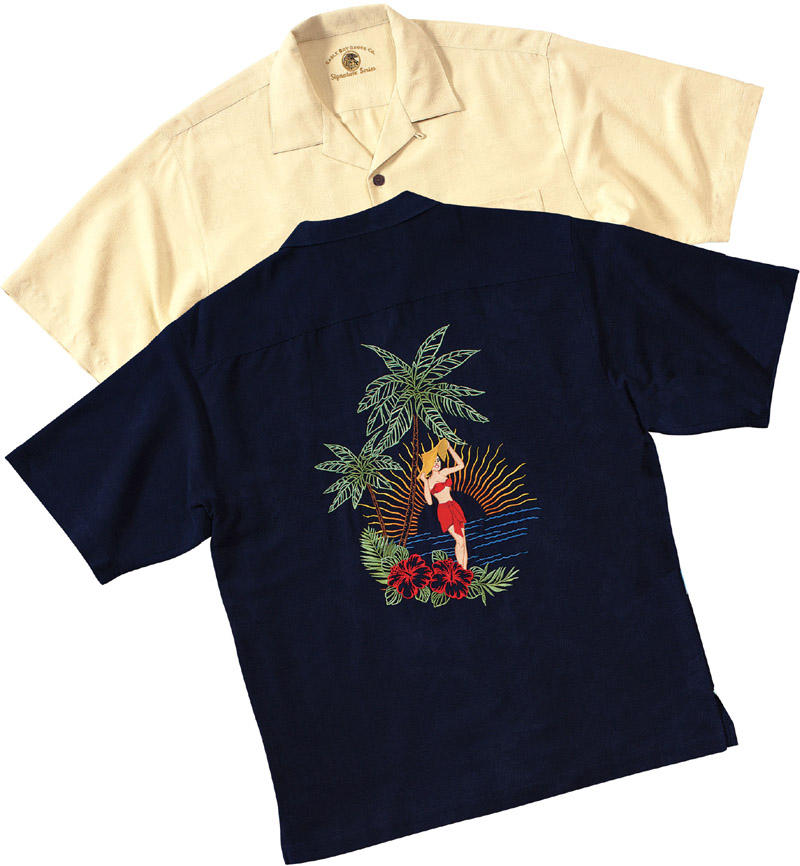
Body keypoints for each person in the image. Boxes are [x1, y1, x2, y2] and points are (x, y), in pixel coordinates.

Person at [418, 439, 469, 567]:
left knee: (463, 541)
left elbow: (461, 465)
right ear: (429, 464)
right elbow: (429, 502)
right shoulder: (429, 481)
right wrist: (424, 482)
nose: (437, 463)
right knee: (459, 541)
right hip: (444, 511)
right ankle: (461, 570)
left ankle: (465, 571)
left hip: (454, 506)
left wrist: (450, 449)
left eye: (438, 460)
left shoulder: (444, 472)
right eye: (434, 461)